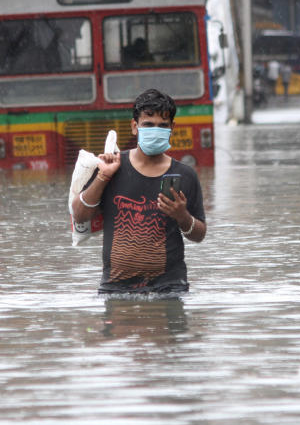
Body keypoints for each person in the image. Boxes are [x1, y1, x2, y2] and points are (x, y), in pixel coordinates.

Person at [70, 88, 207, 295]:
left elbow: (199, 235)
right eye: (148, 124)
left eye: (163, 126)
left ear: (172, 128)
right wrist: (103, 176)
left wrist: (182, 216)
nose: (155, 130)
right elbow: (80, 216)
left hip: (169, 289)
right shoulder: (111, 166)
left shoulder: (185, 175)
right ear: (135, 127)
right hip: (115, 288)